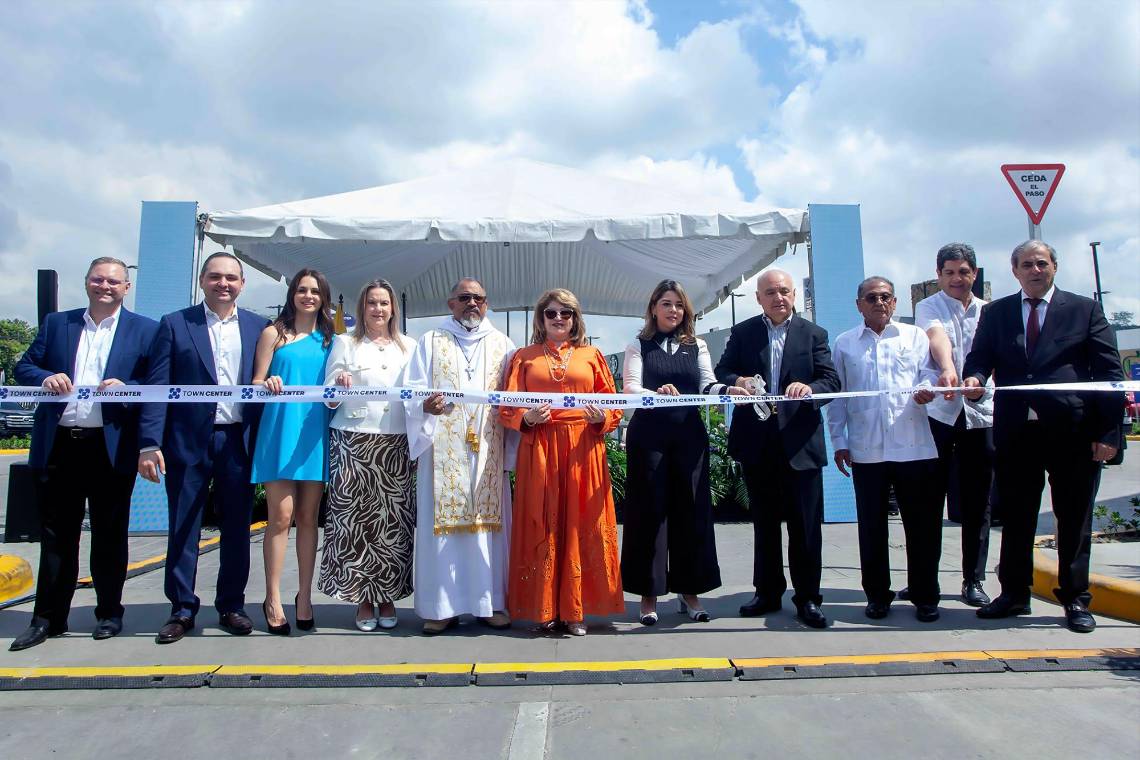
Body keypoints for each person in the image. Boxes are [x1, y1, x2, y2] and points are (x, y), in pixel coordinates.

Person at [963, 240, 1124, 633]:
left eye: (1041, 263)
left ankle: (1075, 599)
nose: (1035, 270)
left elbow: (1110, 374)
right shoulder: (997, 313)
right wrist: (975, 379)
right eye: (1027, 265)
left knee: (1074, 519)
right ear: (1014, 271)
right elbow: (980, 357)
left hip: (1074, 433)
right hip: (1017, 431)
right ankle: (1014, 594)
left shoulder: (1084, 310)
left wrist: (1109, 433)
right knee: (1016, 517)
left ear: (1055, 266)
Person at [9, 258, 159, 651]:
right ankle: (47, 618)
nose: (105, 286)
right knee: (56, 536)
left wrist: (129, 387)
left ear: (126, 287)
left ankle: (109, 613)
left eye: (113, 281)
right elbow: (25, 366)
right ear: (87, 282)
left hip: (110, 447)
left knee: (110, 534)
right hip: (59, 444)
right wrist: (45, 377)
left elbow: (156, 383)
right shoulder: (58, 324)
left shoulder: (145, 330)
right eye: (98, 279)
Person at [138, 252, 266, 644]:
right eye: (215, 277)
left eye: (231, 278)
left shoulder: (259, 327)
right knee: (184, 527)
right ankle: (181, 608)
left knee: (237, 529)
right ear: (202, 281)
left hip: (238, 441)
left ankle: (231, 605)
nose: (223, 284)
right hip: (186, 441)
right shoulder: (175, 324)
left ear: (242, 283)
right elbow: (158, 387)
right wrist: (149, 442)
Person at [713, 269, 840, 629]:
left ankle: (808, 598)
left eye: (784, 291)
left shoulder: (814, 334)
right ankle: (767, 593)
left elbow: (831, 380)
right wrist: (736, 381)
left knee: (805, 528)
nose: (778, 297)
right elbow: (722, 371)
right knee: (765, 525)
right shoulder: (744, 332)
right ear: (759, 299)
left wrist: (810, 389)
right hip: (758, 444)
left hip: (801, 445)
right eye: (770, 292)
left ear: (794, 295)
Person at [500, 289, 625, 636]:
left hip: (583, 447)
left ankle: (575, 610)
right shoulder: (523, 357)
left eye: (565, 313)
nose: (558, 319)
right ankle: (543, 608)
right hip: (540, 447)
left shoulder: (592, 355)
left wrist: (602, 418)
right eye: (551, 313)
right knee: (542, 522)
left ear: (575, 319)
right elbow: (507, 406)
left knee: (580, 523)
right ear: (540, 318)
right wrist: (526, 418)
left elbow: (613, 404)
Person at [399, 278, 518, 635]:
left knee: (488, 530)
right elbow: (411, 390)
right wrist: (424, 406)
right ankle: (442, 608)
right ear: (450, 303)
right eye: (464, 297)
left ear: (487, 303)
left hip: (487, 449)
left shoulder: (503, 345)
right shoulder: (430, 341)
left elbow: (514, 395)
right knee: (443, 533)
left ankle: (489, 604)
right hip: (442, 449)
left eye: (479, 298)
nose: (472, 304)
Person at [622, 280, 743, 626]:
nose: (672, 310)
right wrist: (656, 393)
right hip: (649, 438)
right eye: (666, 303)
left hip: (689, 436)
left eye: (678, 304)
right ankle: (648, 595)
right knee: (649, 512)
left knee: (692, 510)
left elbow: (707, 384)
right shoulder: (638, 345)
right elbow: (630, 388)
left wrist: (730, 389)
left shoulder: (697, 345)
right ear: (653, 308)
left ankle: (690, 592)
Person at [827, 276, 941, 622]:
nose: (880, 303)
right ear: (859, 304)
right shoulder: (845, 343)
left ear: (895, 302)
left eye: (886, 297)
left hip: (913, 447)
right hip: (867, 449)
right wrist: (839, 442)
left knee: (922, 527)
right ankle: (877, 595)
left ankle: (925, 595)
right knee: (872, 528)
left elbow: (930, 373)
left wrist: (927, 388)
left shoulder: (914, 336)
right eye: (872, 297)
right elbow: (838, 398)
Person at [318, 279, 417, 632]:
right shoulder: (345, 343)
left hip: (396, 442)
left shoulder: (410, 346)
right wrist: (338, 384)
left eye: (384, 303)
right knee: (355, 522)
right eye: (372, 303)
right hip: (353, 440)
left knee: (393, 523)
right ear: (363, 308)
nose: (378, 309)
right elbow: (328, 397)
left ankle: (388, 596)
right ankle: (362, 598)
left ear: (393, 309)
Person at [250, 269, 334, 635]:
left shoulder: (331, 341)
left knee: (308, 517)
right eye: (302, 289)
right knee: (280, 517)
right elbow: (255, 382)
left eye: (315, 290)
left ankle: (305, 597)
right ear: (292, 294)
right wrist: (266, 382)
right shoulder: (273, 333)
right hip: (280, 432)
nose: (308, 296)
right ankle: (272, 598)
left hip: (314, 435)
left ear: (323, 297)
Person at [912, 243, 995, 607]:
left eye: (963, 272)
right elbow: (936, 337)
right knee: (929, 499)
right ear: (939, 275)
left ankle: (973, 579)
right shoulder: (928, 306)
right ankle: (924, 582)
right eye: (949, 273)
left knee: (978, 500)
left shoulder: (990, 311)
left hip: (981, 413)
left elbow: (993, 354)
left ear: (974, 273)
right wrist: (948, 370)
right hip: (940, 413)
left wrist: (978, 381)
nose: (956, 279)